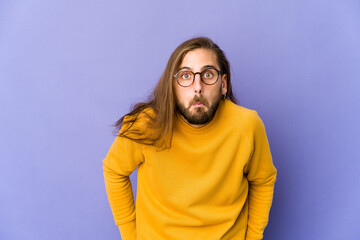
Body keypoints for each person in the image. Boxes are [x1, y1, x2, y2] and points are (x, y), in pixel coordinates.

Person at [103, 37, 277, 240]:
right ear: (173, 85)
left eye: (208, 74)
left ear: (223, 84)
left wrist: (254, 236)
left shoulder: (248, 125)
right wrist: (131, 235)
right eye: (186, 76)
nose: (197, 87)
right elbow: (114, 171)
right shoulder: (145, 124)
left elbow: (263, 180)